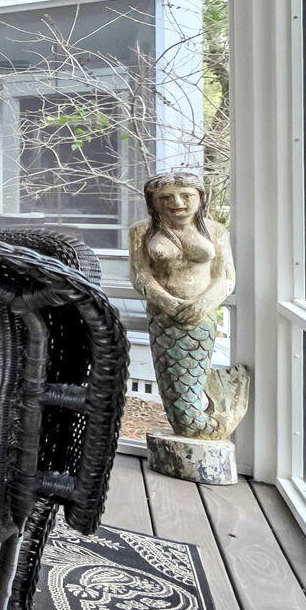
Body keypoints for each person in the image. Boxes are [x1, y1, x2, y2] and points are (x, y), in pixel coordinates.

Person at [128, 170, 235, 437]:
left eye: (186, 195)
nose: (178, 202)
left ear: (200, 198)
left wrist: (203, 304)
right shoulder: (142, 231)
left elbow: (225, 276)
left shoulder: (215, 230)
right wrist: (168, 302)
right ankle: (187, 426)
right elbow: (140, 275)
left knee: (194, 375)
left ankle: (212, 421)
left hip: (202, 317)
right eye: (166, 197)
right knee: (172, 382)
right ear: (153, 202)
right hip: (163, 317)